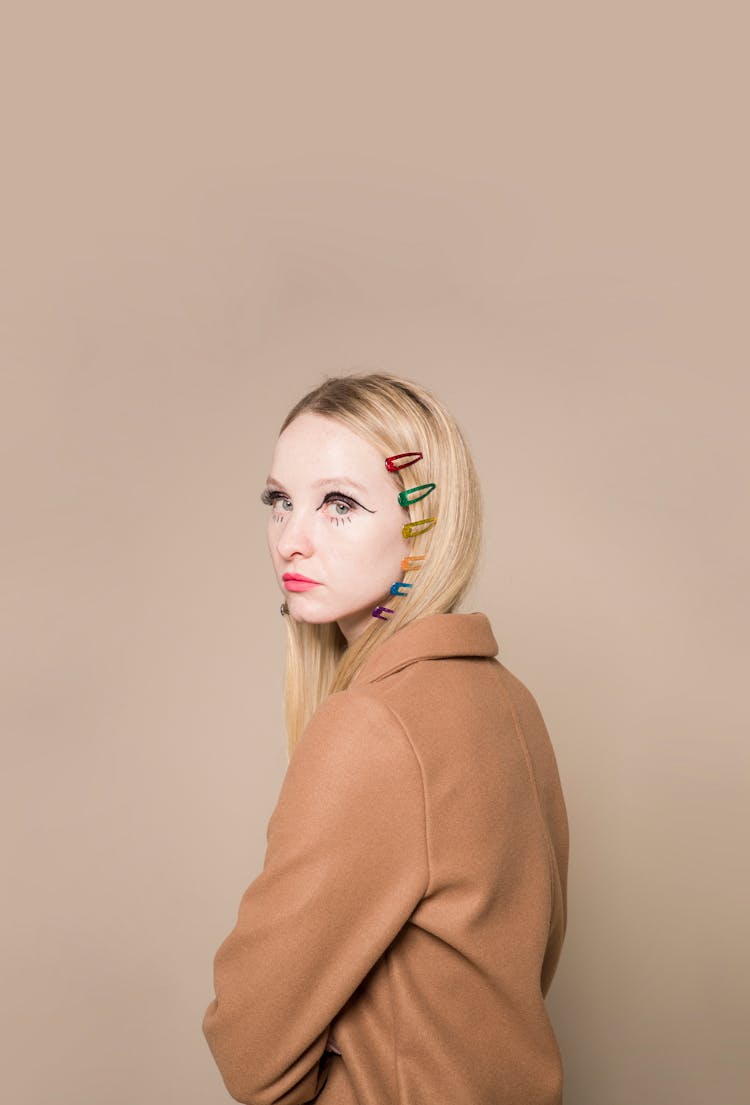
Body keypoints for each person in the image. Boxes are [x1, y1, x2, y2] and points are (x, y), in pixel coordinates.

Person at [201, 372, 569, 1105]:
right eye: (280, 501)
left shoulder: (373, 725)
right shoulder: (509, 700)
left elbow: (249, 1050)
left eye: (338, 504)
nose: (291, 539)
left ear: (424, 524)